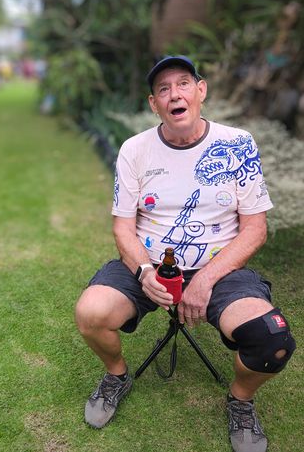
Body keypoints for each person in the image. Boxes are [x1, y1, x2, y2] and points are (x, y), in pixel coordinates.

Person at [74, 55, 296, 452]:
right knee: (91, 313)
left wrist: (206, 279)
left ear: (201, 90)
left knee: (272, 339)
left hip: (221, 270)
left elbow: (255, 229)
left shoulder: (237, 144)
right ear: (153, 103)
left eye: (183, 83)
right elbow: (123, 228)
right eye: (163, 89)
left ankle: (241, 401)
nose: (174, 94)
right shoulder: (134, 149)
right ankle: (117, 375)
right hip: (150, 265)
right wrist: (144, 272)